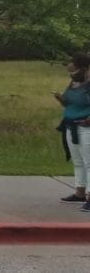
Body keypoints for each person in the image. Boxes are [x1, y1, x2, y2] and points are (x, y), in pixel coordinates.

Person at [54, 52, 90, 210]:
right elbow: (68, 102)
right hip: (71, 125)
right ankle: (79, 193)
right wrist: (61, 99)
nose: (72, 74)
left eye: (74, 71)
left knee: (89, 162)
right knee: (78, 161)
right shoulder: (73, 83)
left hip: (85, 127)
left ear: (85, 68)